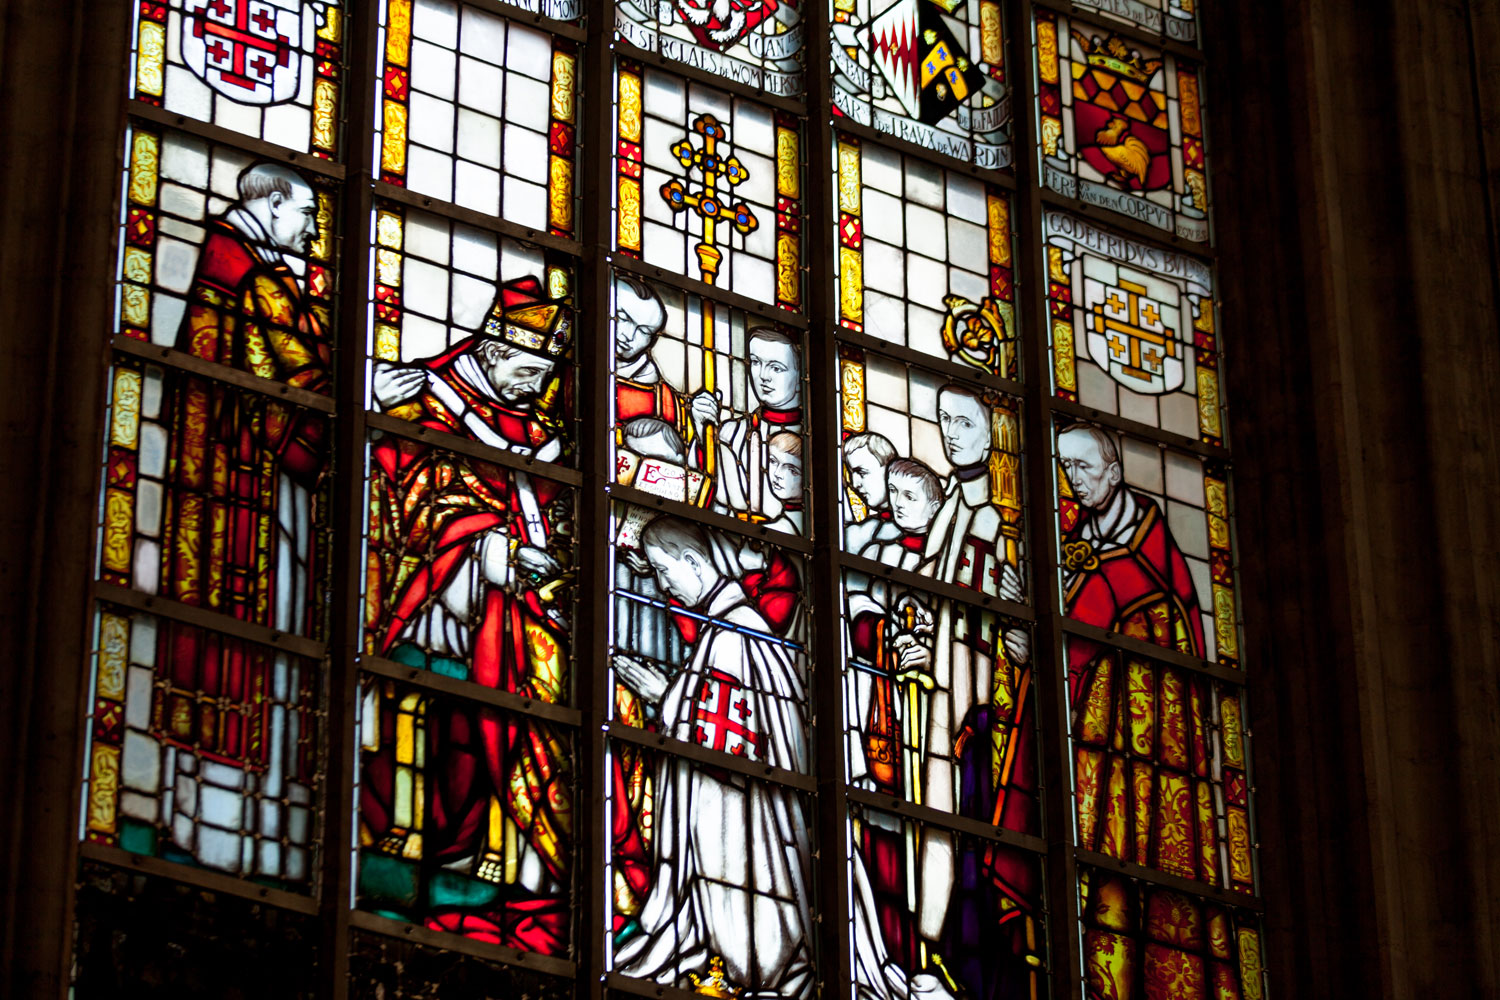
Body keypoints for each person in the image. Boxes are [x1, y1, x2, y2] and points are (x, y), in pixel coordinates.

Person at [359, 276, 575, 953]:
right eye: (529, 370)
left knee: (489, 730)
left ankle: (471, 858)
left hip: (512, 614)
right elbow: (409, 490)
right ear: (495, 343)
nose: (535, 389)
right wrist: (488, 549)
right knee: (420, 716)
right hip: (430, 601)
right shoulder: (429, 395)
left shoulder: (540, 428)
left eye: (546, 376)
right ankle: (390, 847)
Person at [151, 162, 331, 882]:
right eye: (308, 212)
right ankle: (233, 837)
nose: (314, 229)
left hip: (240, 485)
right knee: (249, 651)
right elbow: (277, 387)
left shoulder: (254, 268)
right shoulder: (242, 272)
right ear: (273, 203)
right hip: (243, 498)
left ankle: (240, 831)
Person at [612, 518, 814, 999]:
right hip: (740, 802)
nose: (662, 586)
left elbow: (725, 740)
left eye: (665, 572)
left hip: (739, 814)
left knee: (741, 896)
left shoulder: (732, 636)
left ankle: (752, 968)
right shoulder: (727, 631)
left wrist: (663, 697)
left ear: (692, 562)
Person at [1057, 423, 1205, 705]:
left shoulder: (1148, 539)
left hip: (1144, 699)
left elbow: (1177, 619)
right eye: (1066, 465)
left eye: (1083, 466)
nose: (1073, 478)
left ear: (1113, 473)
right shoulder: (1074, 539)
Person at [691, 326, 802, 524]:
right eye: (756, 363)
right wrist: (702, 433)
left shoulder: (816, 450)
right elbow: (699, 487)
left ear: (800, 378)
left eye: (776, 367)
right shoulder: (730, 432)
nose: (763, 376)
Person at [861, 458, 944, 570]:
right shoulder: (875, 551)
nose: (898, 503)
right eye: (893, 490)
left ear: (934, 509)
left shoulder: (943, 560)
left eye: (909, 497)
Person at [842, 431, 902, 554]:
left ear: (888, 470)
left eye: (862, 472)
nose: (854, 484)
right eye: (851, 473)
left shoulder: (916, 526)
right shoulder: (866, 529)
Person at [759, 431, 805, 536]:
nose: (777, 474)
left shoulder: (786, 528)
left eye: (792, 471)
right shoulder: (782, 519)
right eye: (773, 461)